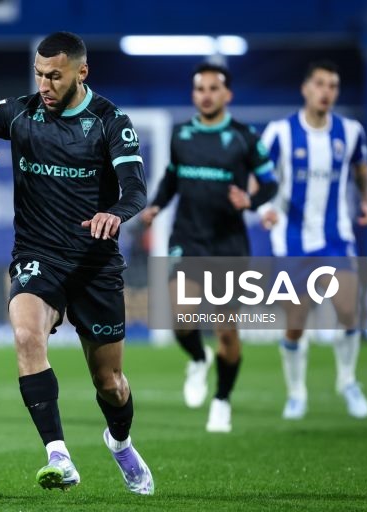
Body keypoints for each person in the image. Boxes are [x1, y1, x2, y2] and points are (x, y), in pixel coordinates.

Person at [0, 31, 153, 495]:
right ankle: (58, 454)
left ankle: (120, 442)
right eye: (39, 75)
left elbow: (136, 188)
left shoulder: (110, 121)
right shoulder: (19, 113)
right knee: (25, 335)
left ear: (82, 72)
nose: (45, 85)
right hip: (38, 257)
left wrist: (115, 213)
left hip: (95, 265)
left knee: (110, 382)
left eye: (55, 76)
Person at [139, 63, 278, 433]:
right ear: (193, 94)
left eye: (214, 88)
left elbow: (270, 183)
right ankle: (199, 359)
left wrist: (251, 201)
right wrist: (156, 205)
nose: (206, 95)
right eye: (200, 88)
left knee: (227, 332)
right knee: (179, 318)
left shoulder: (245, 137)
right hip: (187, 239)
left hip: (228, 245)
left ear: (227, 94)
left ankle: (221, 400)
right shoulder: (182, 134)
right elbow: (172, 177)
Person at [259, 60, 367, 420]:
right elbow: (257, 174)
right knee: (296, 322)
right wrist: (265, 208)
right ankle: (296, 393)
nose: (327, 91)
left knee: (349, 310)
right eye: (321, 84)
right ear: (306, 89)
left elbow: (361, 167)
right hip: (291, 241)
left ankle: (347, 381)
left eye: (333, 85)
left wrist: (366, 201)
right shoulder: (280, 132)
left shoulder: (351, 131)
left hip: (335, 238)